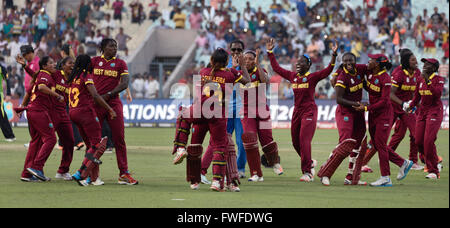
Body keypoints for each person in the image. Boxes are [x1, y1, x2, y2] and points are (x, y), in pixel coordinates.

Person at [172, 48, 251, 191]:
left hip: (201, 112)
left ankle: (183, 154)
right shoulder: (231, 74)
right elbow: (248, 82)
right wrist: (242, 66)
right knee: (221, 147)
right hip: (218, 115)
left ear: (211, 60)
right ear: (226, 61)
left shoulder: (203, 72)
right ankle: (217, 182)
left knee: (193, 142)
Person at [266, 38, 338, 182]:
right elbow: (277, 68)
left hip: (309, 111)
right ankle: (310, 162)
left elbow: (327, 70)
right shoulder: (293, 77)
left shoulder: (312, 77)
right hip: (297, 112)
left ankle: (308, 172)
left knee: (304, 140)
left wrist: (334, 56)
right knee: (295, 142)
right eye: (297, 62)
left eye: (302, 62)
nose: (298, 64)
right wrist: (270, 52)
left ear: (308, 65)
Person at [353, 54, 414, 187]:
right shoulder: (369, 72)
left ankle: (385, 177)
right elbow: (354, 66)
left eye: (372, 60)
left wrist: (366, 107)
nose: (368, 61)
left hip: (384, 115)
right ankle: (403, 163)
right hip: (373, 115)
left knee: (380, 145)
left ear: (378, 63)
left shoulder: (385, 78)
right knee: (377, 144)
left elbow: (384, 101)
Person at [16, 55, 76, 181]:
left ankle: (63, 170)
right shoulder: (55, 74)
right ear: (62, 65)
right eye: (70, 63)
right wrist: (25, 66)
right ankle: (34, 170)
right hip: (50, 112)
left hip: (63, 113)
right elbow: (37, 76)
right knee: (42, 141)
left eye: (74, 64)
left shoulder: (73, 79)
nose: (72, 66)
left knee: (69, 141)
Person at [90, 38, 138, 185]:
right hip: (96, 103)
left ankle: (123, 173)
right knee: (94, 141)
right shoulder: (94, 61)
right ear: (103, 48)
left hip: (113, 102)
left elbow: (124, 83)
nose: (115, 48)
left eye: (116, 46)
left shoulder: (120, 63)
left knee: (119, 138)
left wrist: (109, 94)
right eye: (111, 46)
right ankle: (92, 175)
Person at [317, 52, 370, 186]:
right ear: (343, 63)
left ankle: (352, 177)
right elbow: (339, 99)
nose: (348, 63)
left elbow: (372, 67)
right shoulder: (342, 77)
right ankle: (325, 173)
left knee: (361, 144)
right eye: (345, 61)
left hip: (358, 112)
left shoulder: (360, 69)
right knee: (346, 144)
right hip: (345, 112)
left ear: (355, 61)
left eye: (351, 61)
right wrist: (356, 104)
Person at [68, 54, 117, 186]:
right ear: (87, 64)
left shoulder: (74, 77)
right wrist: (109, 109)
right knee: (97, 145)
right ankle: (80, 173)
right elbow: (95, 95)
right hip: (85, 112)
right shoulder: (86, 76)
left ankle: (92, 177)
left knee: (90, 146)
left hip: (73, 112)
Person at [240, 49, 283, 182]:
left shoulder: (260, 71)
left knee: (266, 140)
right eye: (245, 58)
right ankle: (256, 173)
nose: (248, 61)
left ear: (255, 60)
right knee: (250, 140)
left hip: (262, 110)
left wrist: (258, 64)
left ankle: (275, 162)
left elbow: (265, 82)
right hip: (247, 112)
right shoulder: (239, 72)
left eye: (251, 59)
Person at [407, 58, 445, 179]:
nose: (424, 65)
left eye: (428, 64)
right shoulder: (420, 79)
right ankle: (435, 161)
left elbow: (437, 94)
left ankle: (433, 171)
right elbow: (417, 97)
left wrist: (428, 81)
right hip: (422, 112)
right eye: (424, 63)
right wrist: (410, 106)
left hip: (435, 112)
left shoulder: (439, 79)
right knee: (418, 141)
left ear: (434, 68)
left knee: (428, 141)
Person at [0, 61, 15, 141]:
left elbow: (7, 80)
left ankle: (10, 135)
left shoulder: (2, 68)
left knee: (1, 115)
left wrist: (8, 93)